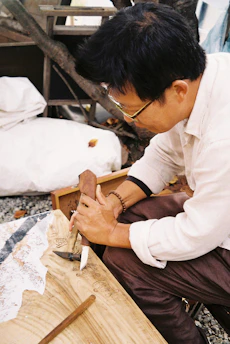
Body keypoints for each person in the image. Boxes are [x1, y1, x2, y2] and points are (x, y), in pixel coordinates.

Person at [70, 3, 230, 343]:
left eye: (133, 110)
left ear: (177, 91)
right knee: (133, 217)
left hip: (221, 236)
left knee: (127, 263)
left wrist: (111, 232)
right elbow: (164, 154)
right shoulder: (203, 76)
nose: (129, 119)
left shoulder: (223, 138)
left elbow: (198, 234)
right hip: (218, 216)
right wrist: (114, 204)